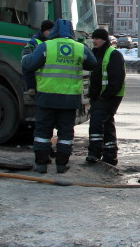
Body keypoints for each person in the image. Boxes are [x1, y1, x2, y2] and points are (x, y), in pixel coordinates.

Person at [21, 19, 97, 174]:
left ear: (54, 31)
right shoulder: (79, 48)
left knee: (43, 132)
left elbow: (30, 64)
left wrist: (25, 57)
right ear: (71, 32)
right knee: (66, 133)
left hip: (47, 97)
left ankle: (41, 164)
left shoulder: (46, 46)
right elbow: (92, 64)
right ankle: (62, 165)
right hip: (69, 99)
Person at [86, 28, 126, 165]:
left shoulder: (113, 55)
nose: (95, 41)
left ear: (104, 40)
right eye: (94, 38)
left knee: (96, 122)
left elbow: (117, 79)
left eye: (98, 38)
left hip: (109, 96)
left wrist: (106, 95)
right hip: (100, 96)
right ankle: (110, 155)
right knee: (107, 123)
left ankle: (94, 153)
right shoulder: (95, 54)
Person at [21, 19, 54, 96]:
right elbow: (26, 61)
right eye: (49, 30)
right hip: (39, 82)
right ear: (43, 31)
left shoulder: (53, 42)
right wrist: (31, 87)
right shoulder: (33, 42)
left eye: (52, 30)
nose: (51, 32)